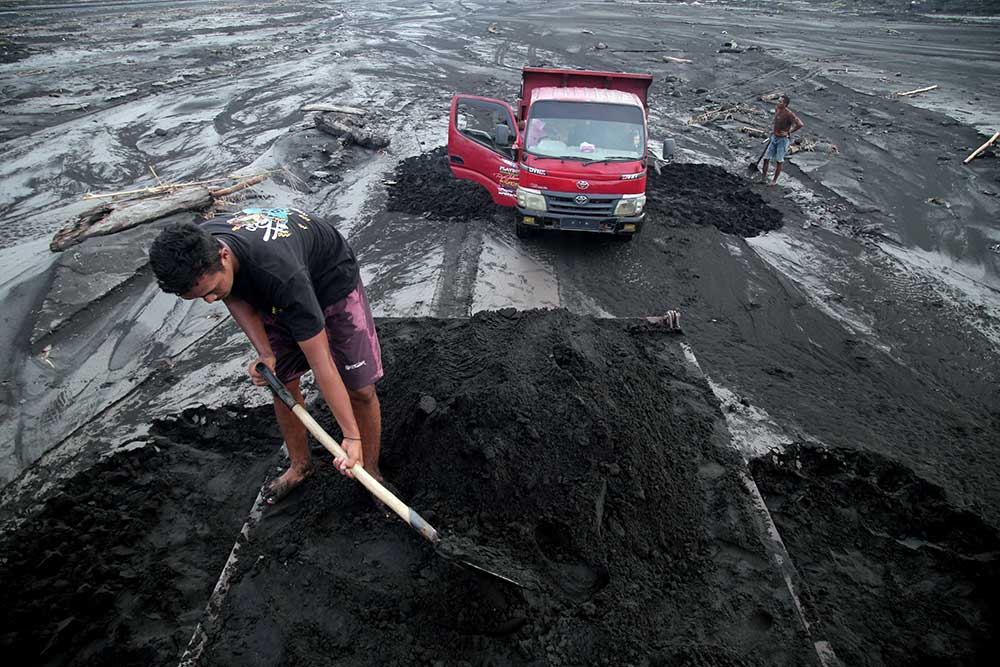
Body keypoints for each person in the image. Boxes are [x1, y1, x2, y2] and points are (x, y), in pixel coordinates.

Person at [149, 208, 385, 505]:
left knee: (360, 389)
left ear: (224, 256)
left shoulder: (282, 274)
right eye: (200, 297)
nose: (210, 301)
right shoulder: (203, 248)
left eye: (210, 291)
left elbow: (321, 361)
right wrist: (265, 353)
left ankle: (372, 473)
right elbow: (232, 295)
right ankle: (301, 465)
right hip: (273, 283)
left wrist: (350, 436)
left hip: (329, 278)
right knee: (281, 381)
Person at [761, 94, 804, 186]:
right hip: (774, 137)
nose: (778, 103)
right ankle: (763, 178)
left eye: (780, 102)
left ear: (785, 104)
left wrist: (789, 132)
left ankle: (774, 180)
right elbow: (776, 121)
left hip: (782, 140)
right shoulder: (777, 109)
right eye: (778, 101)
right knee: (766, 158)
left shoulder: (789, 114)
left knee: (779, 160)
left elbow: (800, 124)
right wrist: (773, 130)